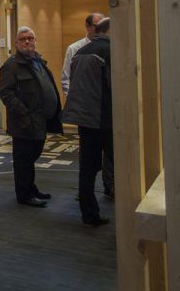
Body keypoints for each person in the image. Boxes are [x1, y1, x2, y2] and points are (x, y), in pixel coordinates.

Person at [0, 27, 62, 208]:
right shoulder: (11, 65)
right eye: (23, 39)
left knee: (32, 155)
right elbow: (5, 92)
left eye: (30, 38)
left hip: (40, 120)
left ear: (35, 41)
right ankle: (24, 194)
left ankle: (31, 188)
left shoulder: (38, 61)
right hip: (24, 122)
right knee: (23, 159)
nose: (27, 42)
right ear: (17, 43)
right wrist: (23, 112)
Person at [63, 18, 113, 226]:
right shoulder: (110, 52)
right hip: (105, 117)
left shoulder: (80, 52)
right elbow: (114, 87)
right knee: (121, 165)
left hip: (85, 119)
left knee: (87, 167)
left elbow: (72, 82)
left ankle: (89, 212)